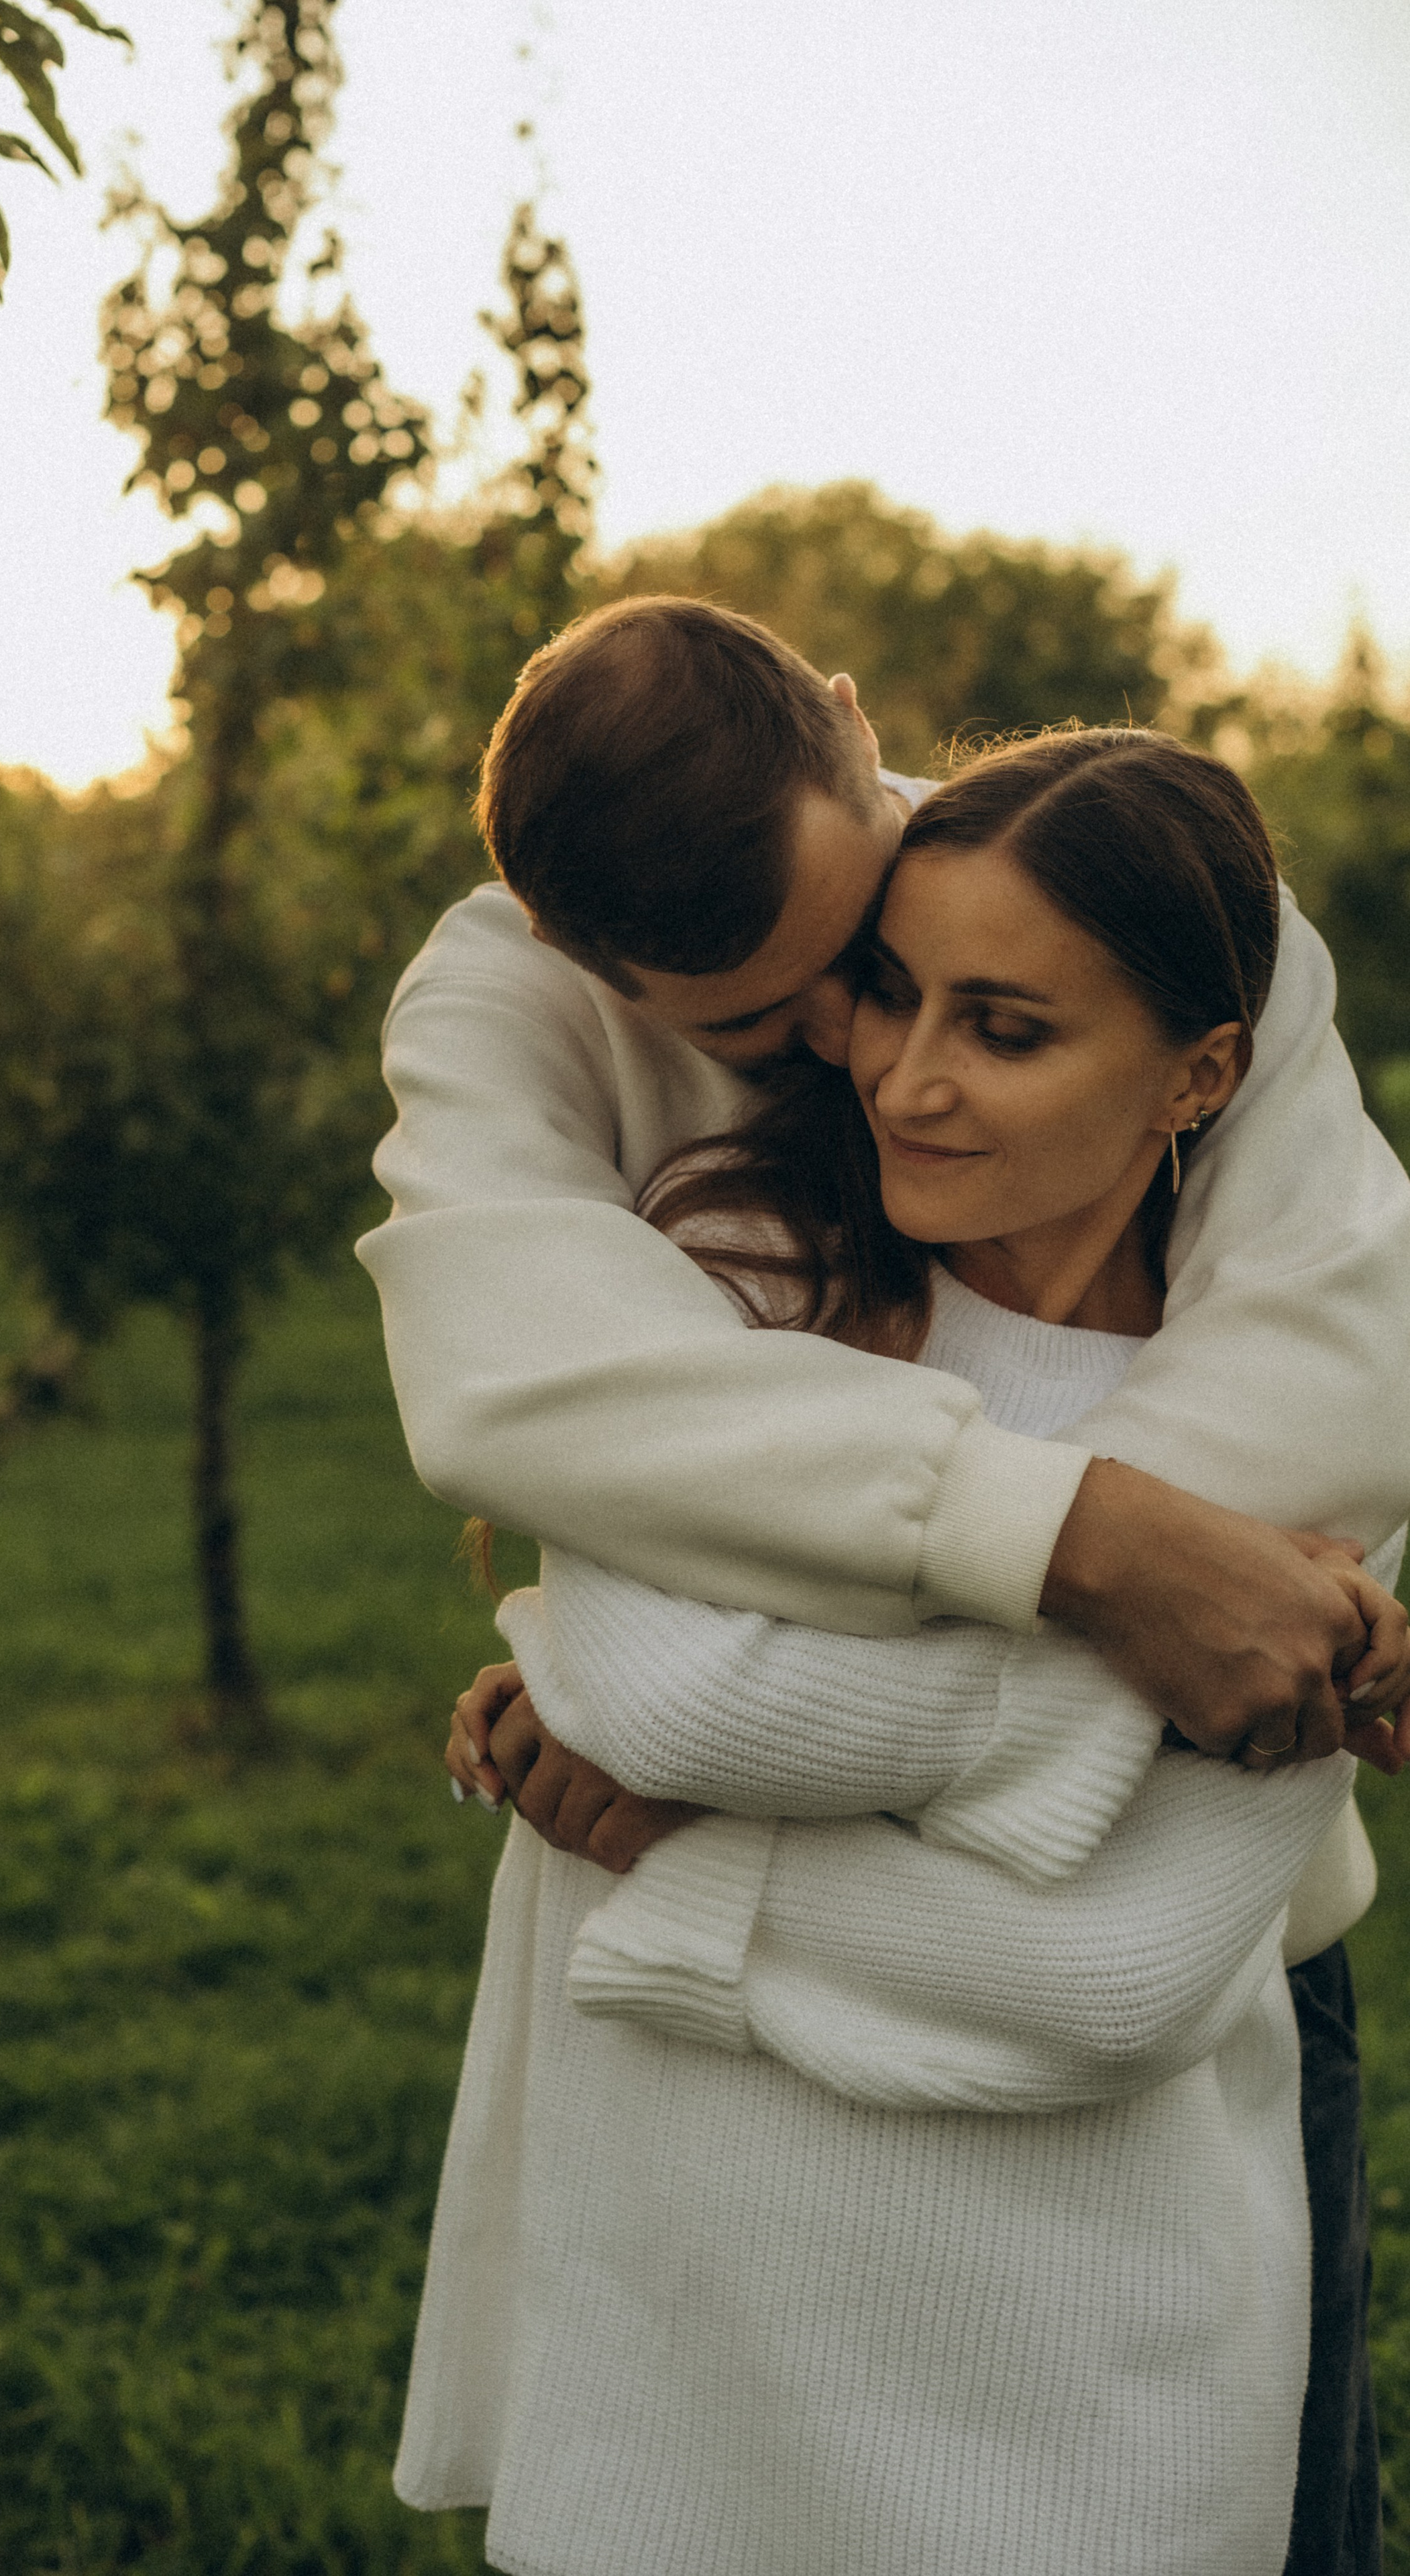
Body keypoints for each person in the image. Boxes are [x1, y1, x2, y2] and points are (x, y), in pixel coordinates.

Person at [402, 727, 1410, 2575]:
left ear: (1202, 1074)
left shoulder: (1292, 1433)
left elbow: (1115, 1982)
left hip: (1090, 2360)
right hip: (698, 2304)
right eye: (886, 992)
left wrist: (687, 1863)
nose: (897, 1075)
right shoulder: (731, 1271)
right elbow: (657, 1693)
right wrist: (1126, 1689)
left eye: (1003, 1030)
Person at [358, 599, 1410, 1774]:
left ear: (856, 733)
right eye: (753, 1020)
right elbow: (525, 1393)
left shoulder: (1164, 899)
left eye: (867, 954)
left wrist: (712, 1732)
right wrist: (1088, 1545)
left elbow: (1331, 1377)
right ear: (566, 951)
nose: (860, 1046)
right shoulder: (501, 1001)